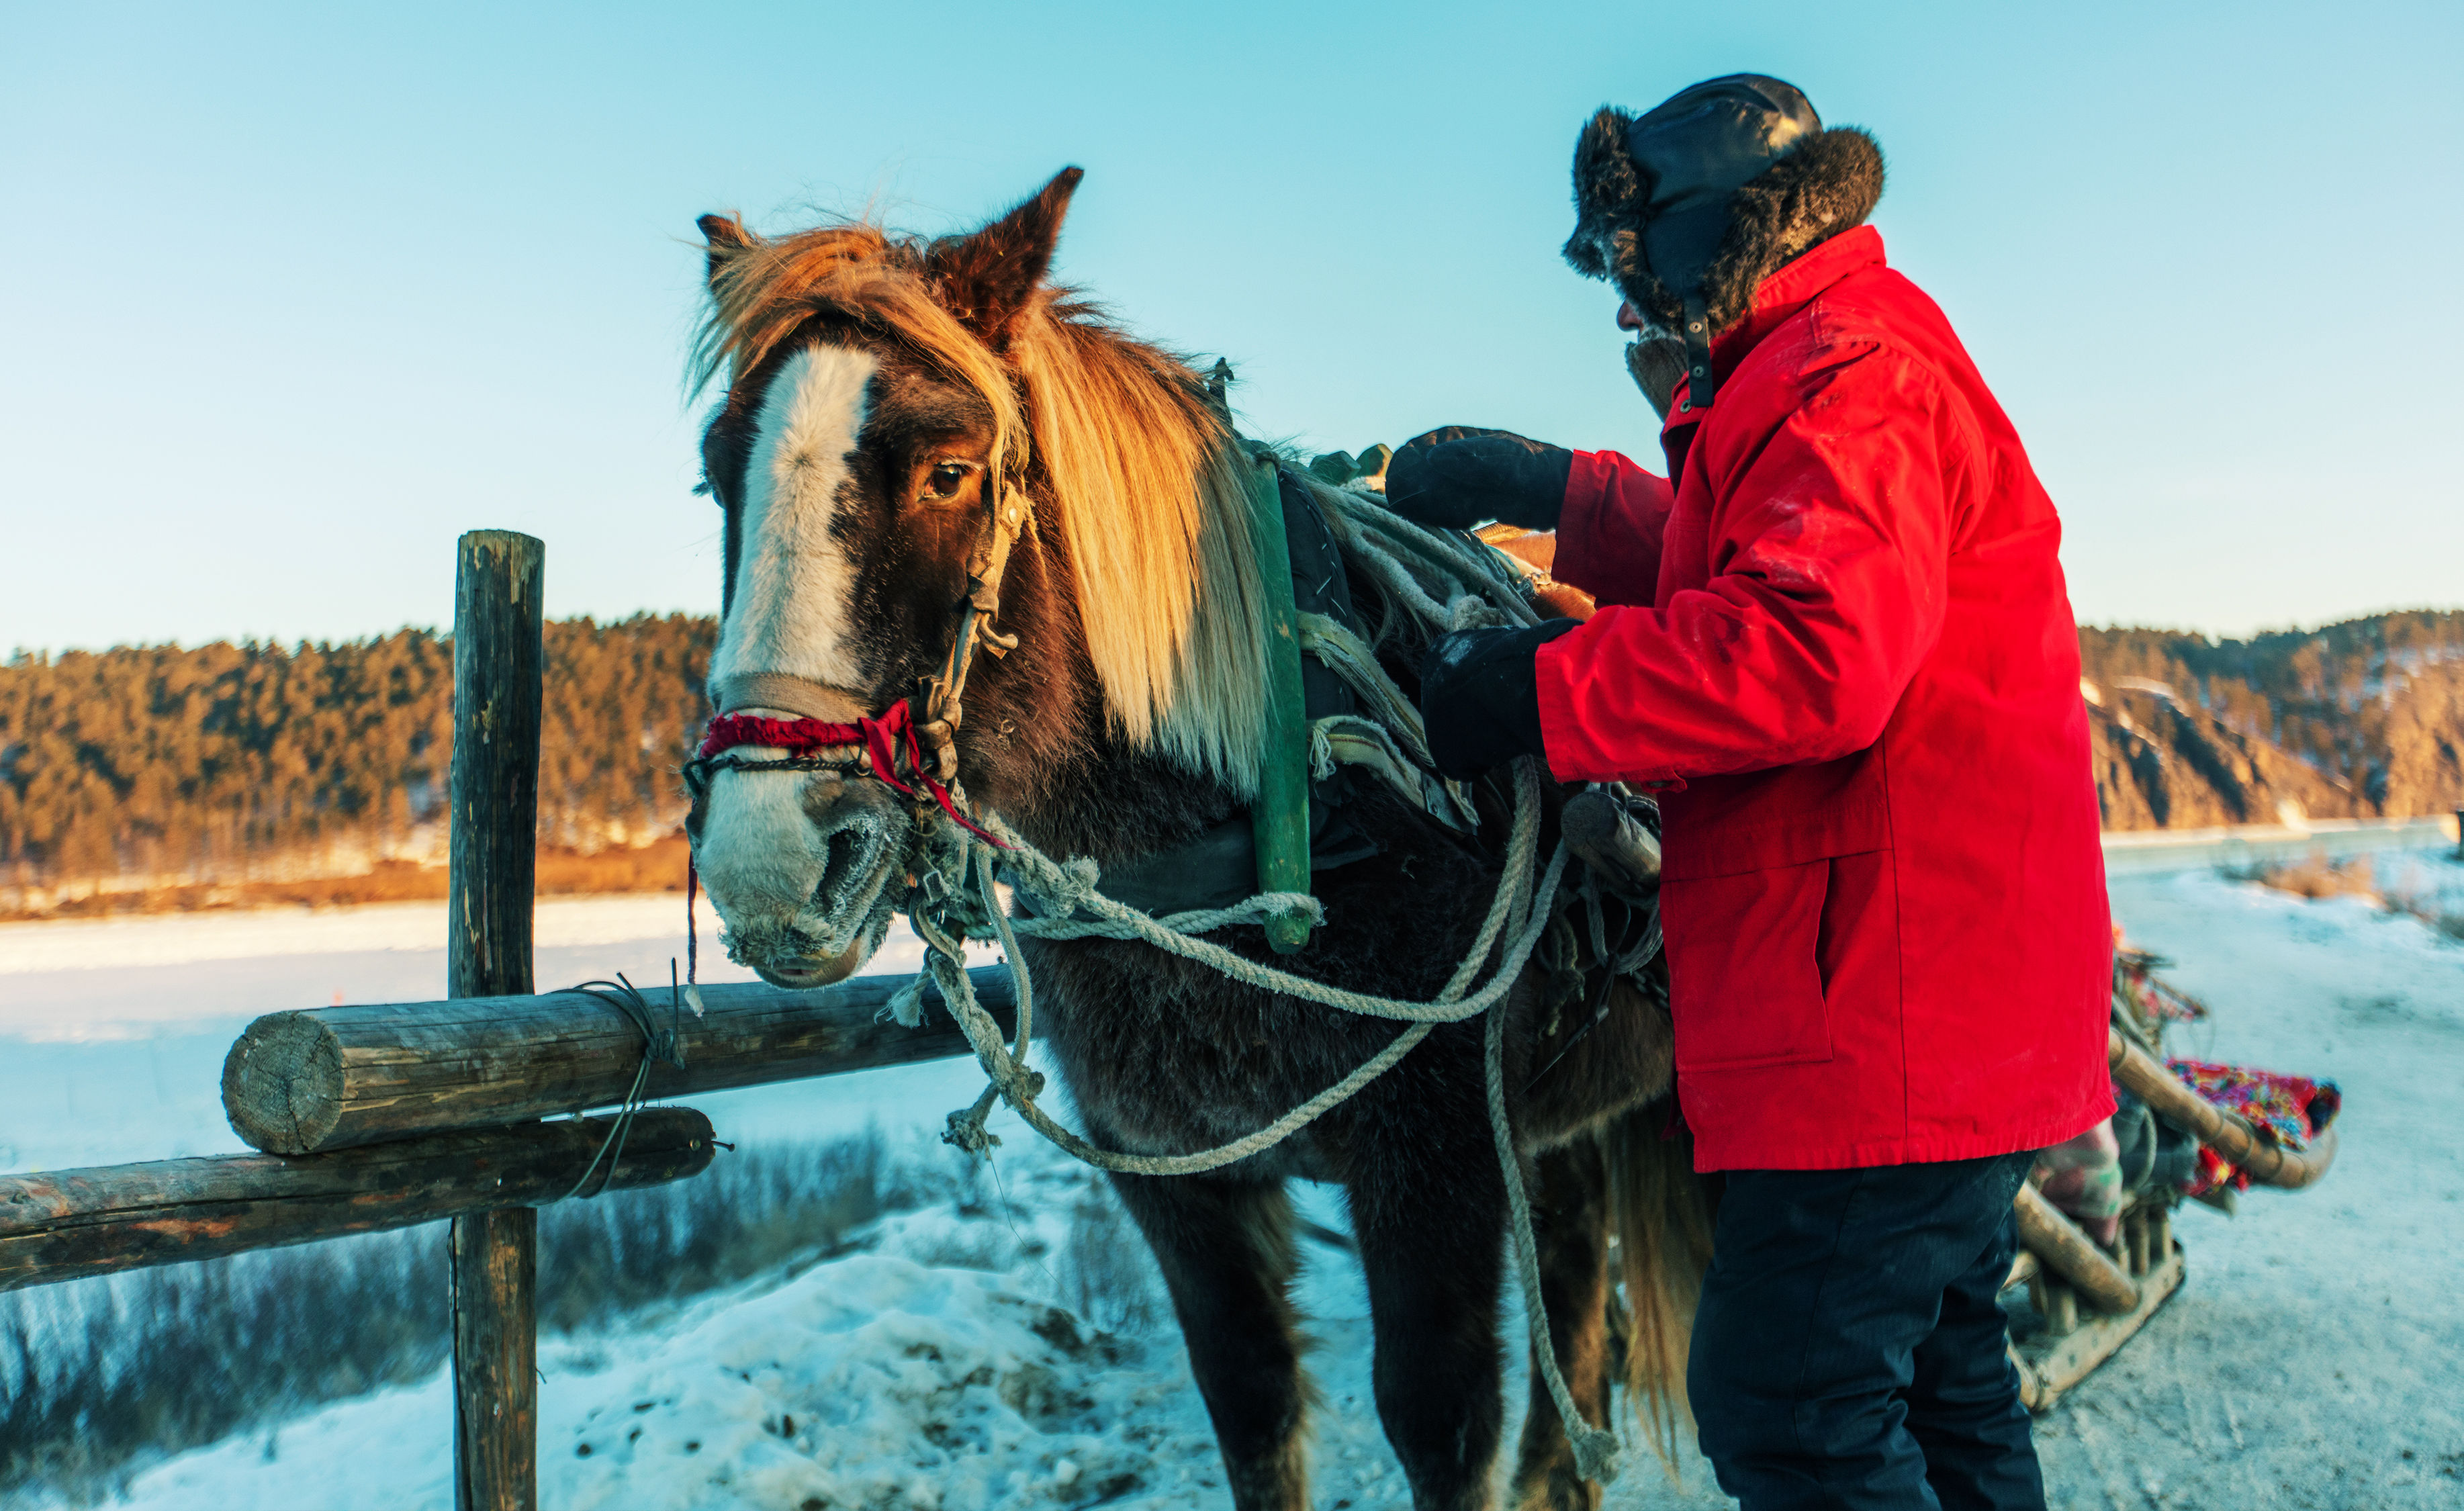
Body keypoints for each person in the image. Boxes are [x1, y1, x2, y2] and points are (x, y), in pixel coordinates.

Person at [1386, 75, 2113, 1510]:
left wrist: (1529, 692)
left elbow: (1808, 645)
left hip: (1887, 1015)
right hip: (1938, 1010)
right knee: (1938, 1384)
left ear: (1710, 230)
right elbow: (1765, 554)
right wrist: (1564, 490)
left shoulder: (1845, 376)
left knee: (1792, 1409)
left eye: (1629, 263)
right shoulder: (1826, 361)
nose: (1621, 308)